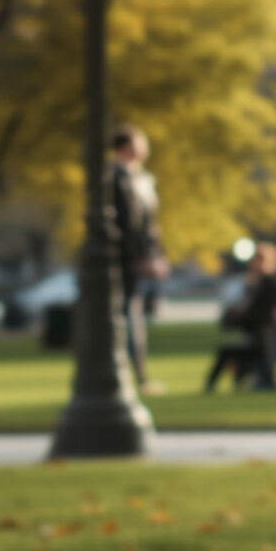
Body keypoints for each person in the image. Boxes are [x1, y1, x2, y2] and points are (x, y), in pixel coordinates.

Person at [106, 126, 169, 394]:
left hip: (141, 261)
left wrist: (156, 255)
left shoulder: (142, 179)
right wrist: (137, 258)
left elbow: (149, 225)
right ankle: (129, 377)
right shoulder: (114, 178)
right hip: (125, 262)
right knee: (126, 318)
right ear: (126, 147)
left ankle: (138, 375)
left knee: (136, 316)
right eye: (139, 143)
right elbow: (124, 224)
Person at [205, 242, 276, 392]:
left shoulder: (270, 282)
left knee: (229, 353)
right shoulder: (255, 282)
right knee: (231, 352)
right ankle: (240, 380)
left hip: (264, 332)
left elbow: (260, 310)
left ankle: (213, 384)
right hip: (255, 332)